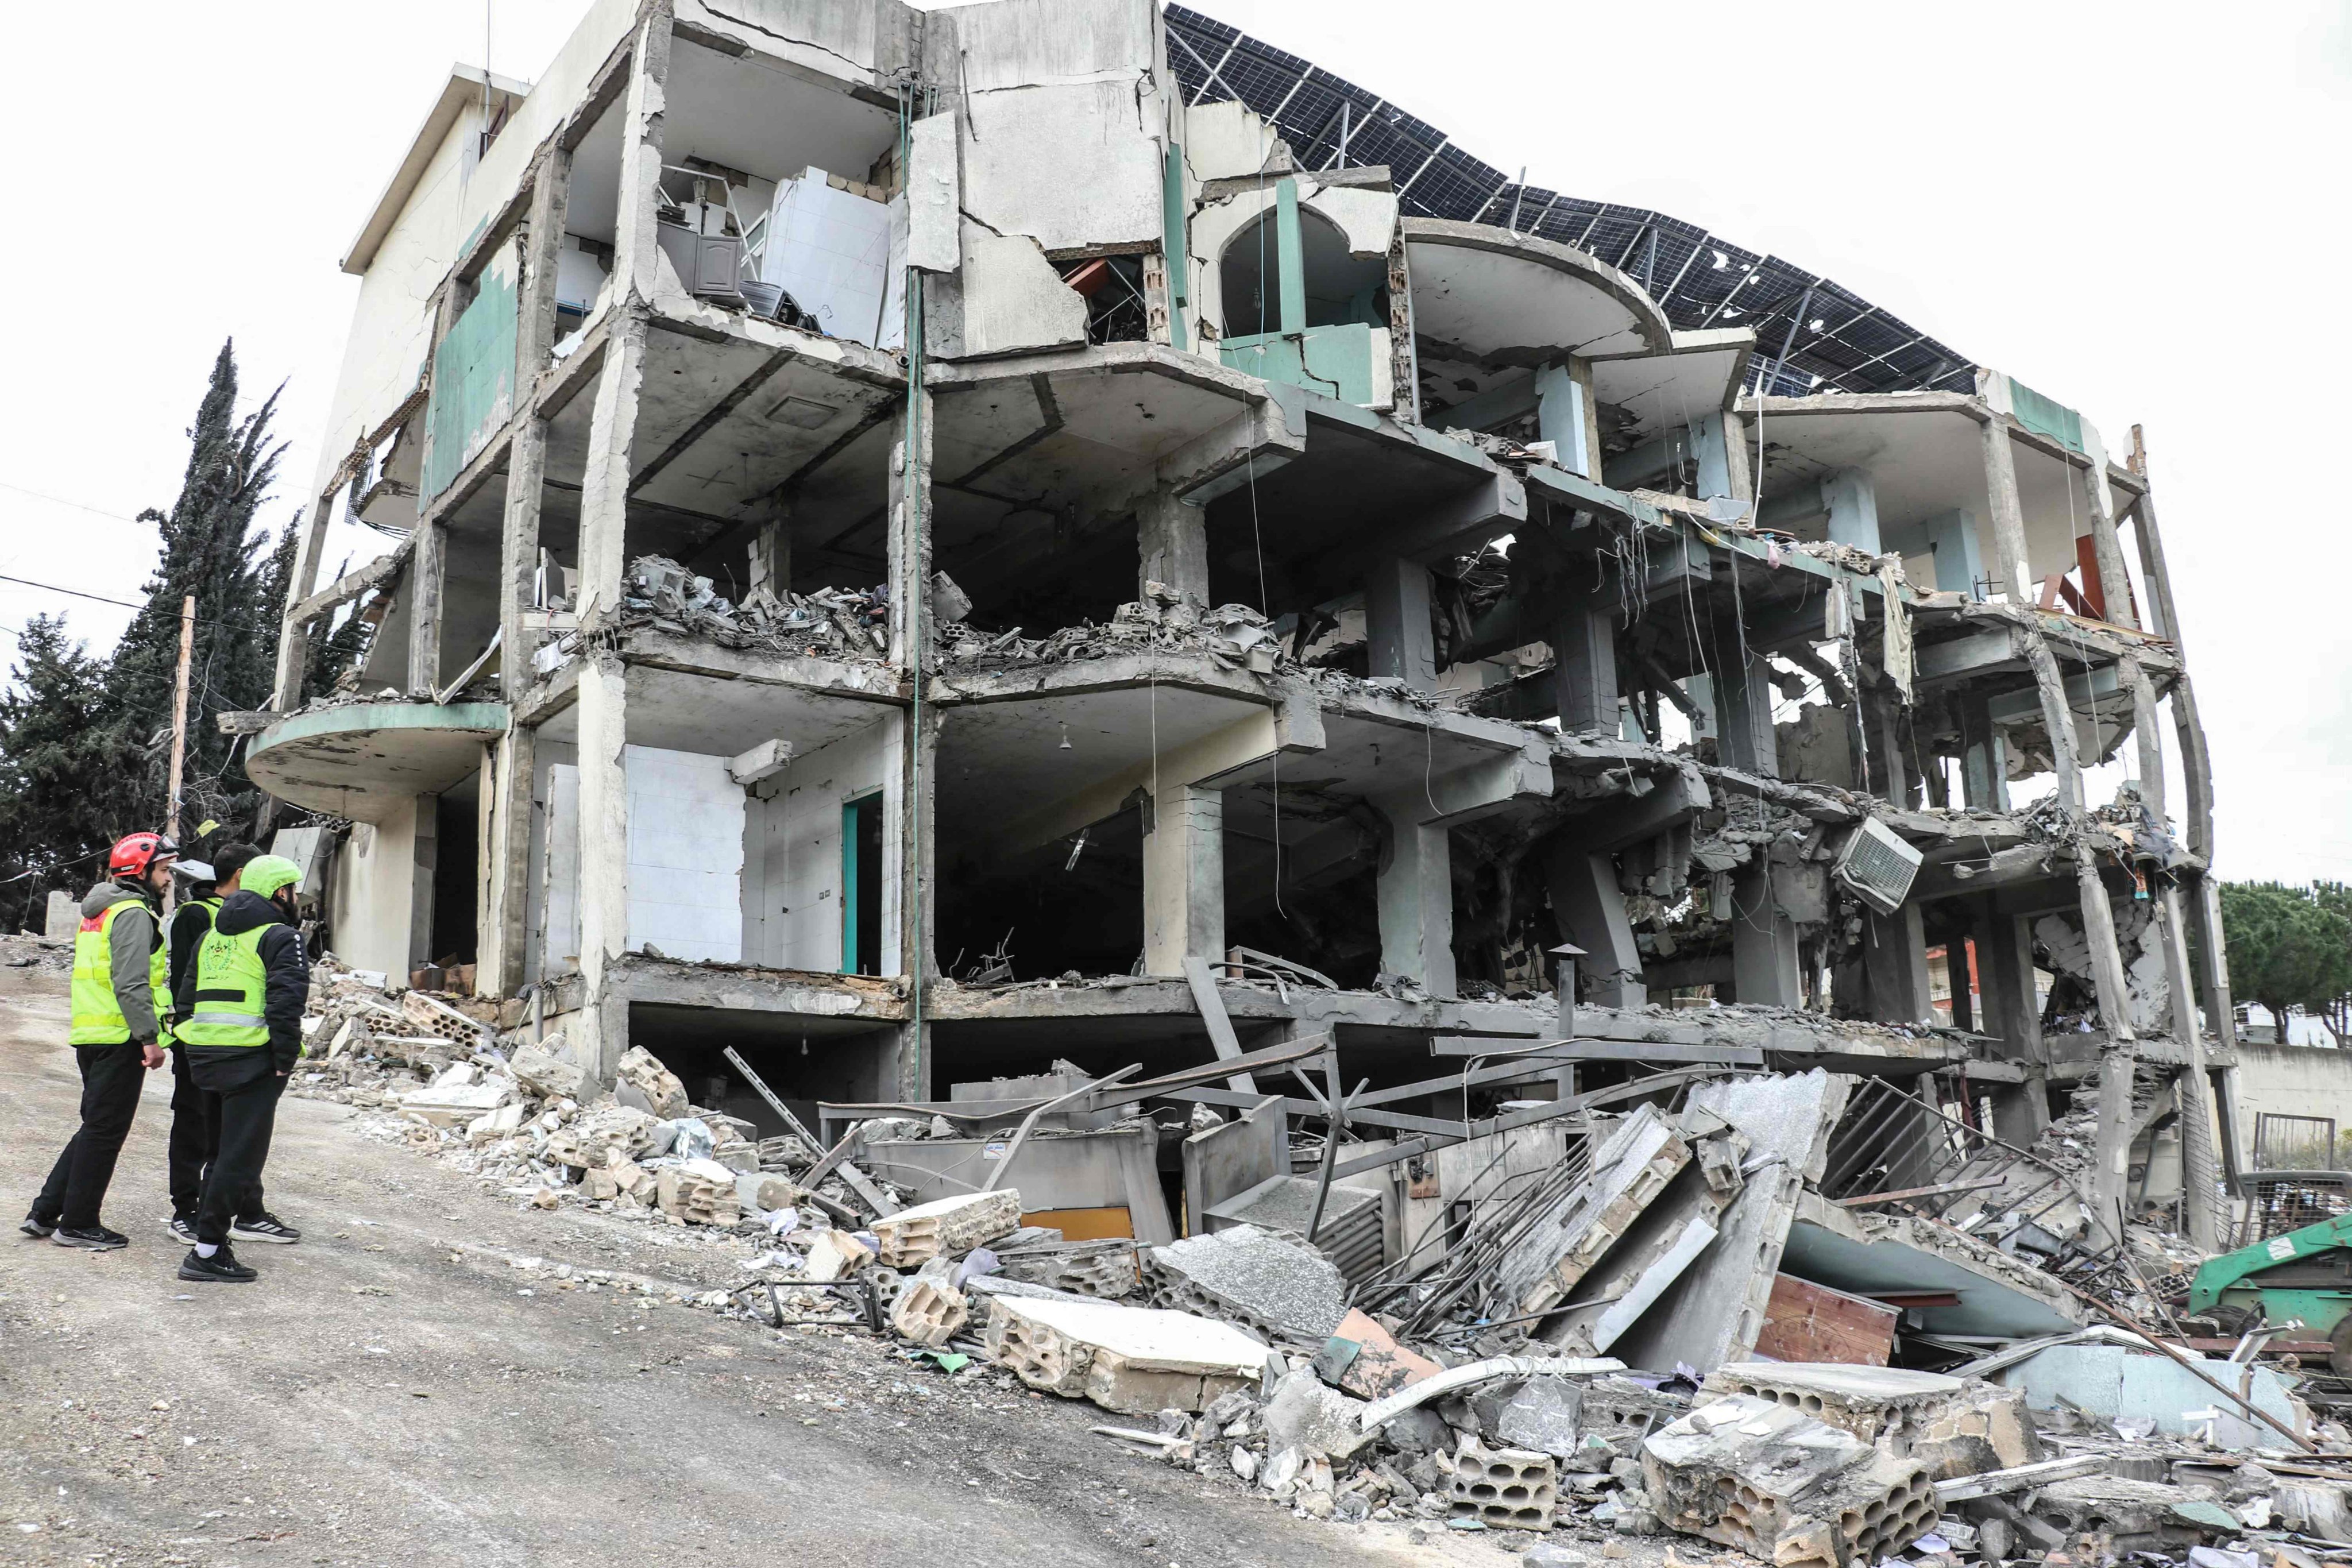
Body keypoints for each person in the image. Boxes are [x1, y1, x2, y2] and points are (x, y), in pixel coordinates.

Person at [21, 832, 177, 1250]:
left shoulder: (101, 910)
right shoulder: (132, 913)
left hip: (94, 1033)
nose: (167, 879)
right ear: (140, 872)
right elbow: (130, 982)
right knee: (105, 1131)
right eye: (163, 870)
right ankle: (78, 1223)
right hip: (120, 1036)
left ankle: (45, 1212)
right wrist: (149, 1038)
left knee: (94, 1127)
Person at [172, 853, 308, 1284]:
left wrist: (196, 1042)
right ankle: (206, 1252)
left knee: (219, 1155)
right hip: (253, 1059)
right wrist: (285, 1060)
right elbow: (287, 1004)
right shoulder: (280, 936)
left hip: (206, 1056)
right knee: (240, 1160)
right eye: (293, 890)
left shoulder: (213, 934)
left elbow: (186, 998)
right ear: (279, 892)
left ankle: (210, 1242)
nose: (296, 899)